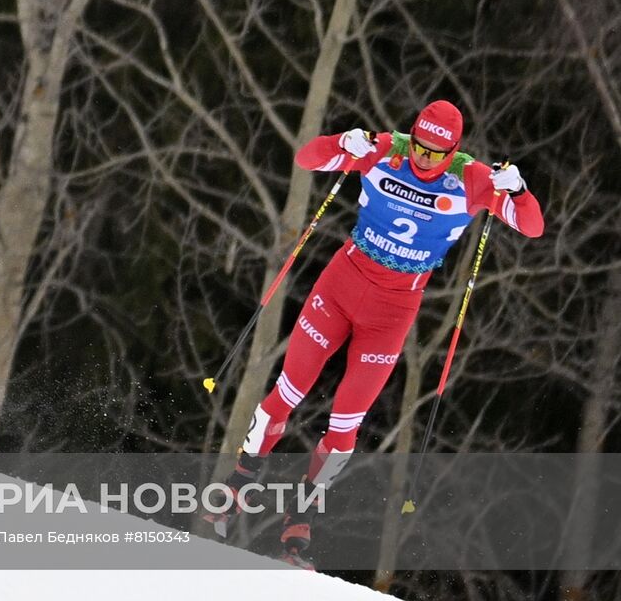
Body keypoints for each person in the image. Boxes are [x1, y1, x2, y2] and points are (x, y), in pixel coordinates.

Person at [207, 100, 545, 568]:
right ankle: (237, 486)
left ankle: (299, 522)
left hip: (391, 312)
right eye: (420, 149)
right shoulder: (386, 150)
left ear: (454, 152)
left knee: (346, 423)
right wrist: (341, 143)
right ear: (412, 138)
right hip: (340, 286)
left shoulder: (473, 180)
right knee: (290, 388)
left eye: (436, 154)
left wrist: (520, 191)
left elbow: (532, 227)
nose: (424, 160)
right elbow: (307, 158)